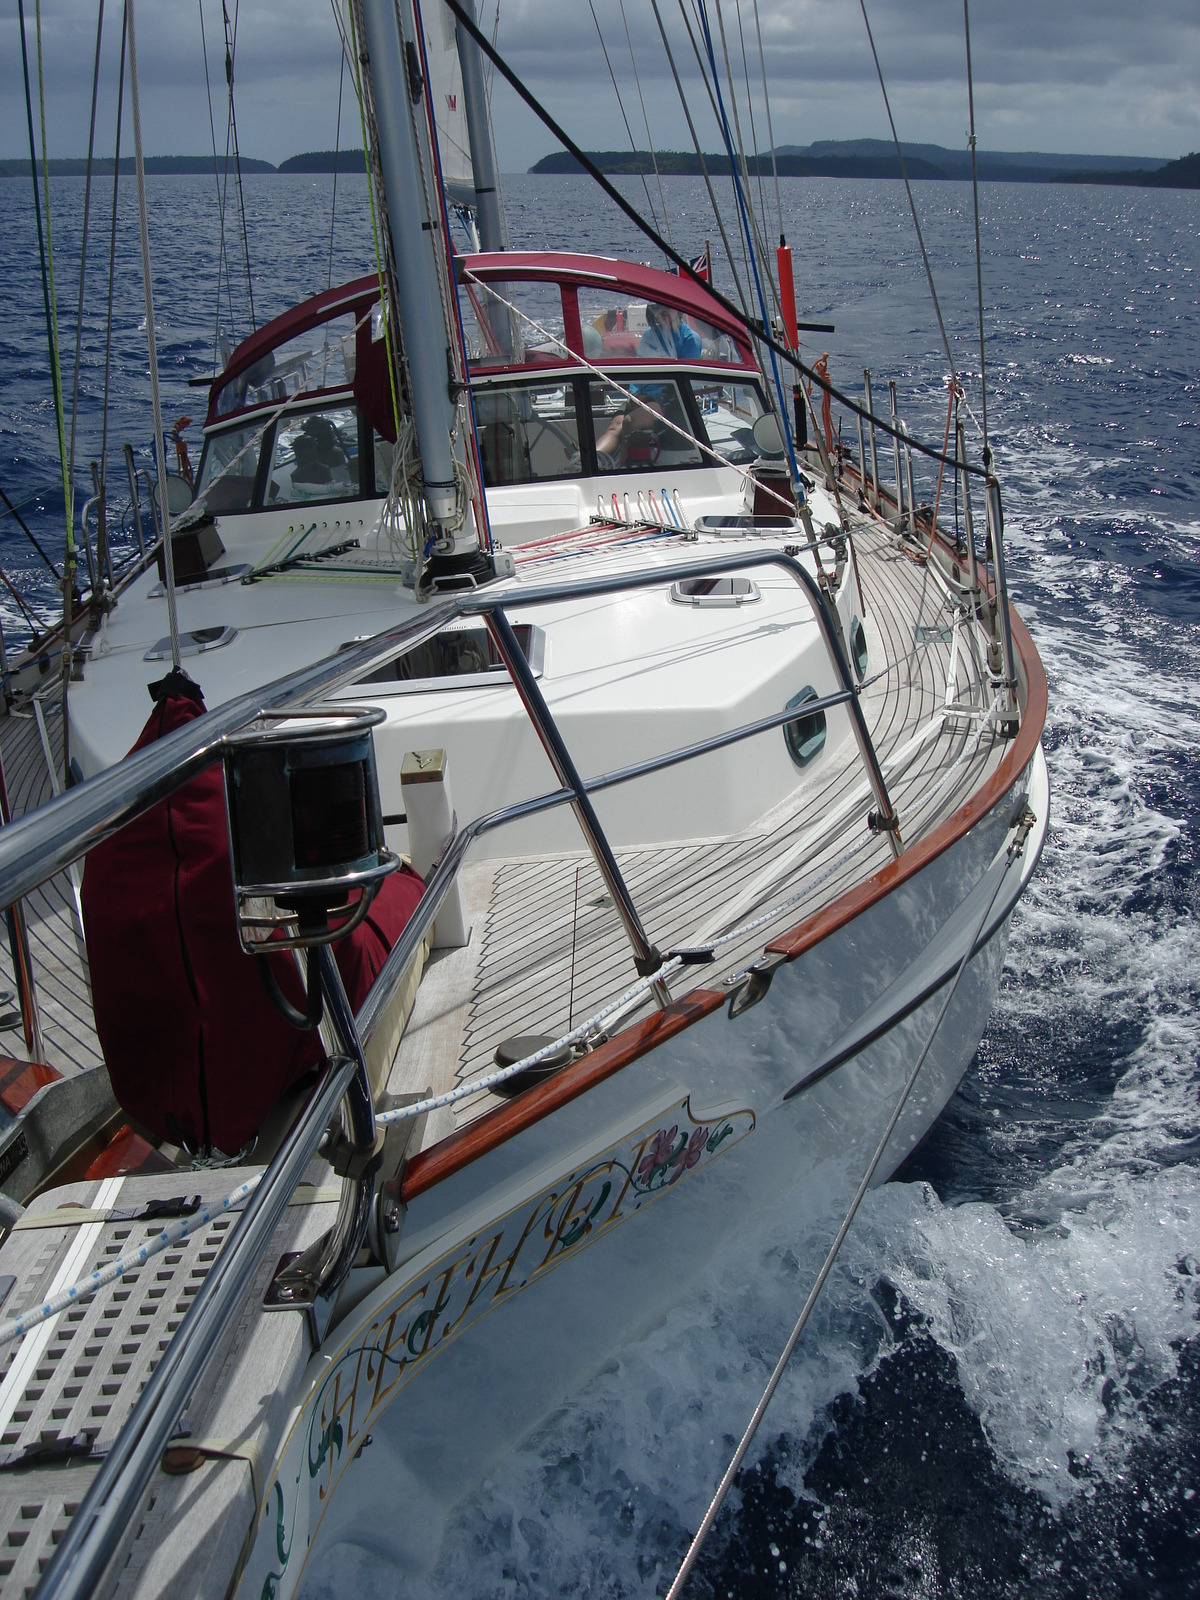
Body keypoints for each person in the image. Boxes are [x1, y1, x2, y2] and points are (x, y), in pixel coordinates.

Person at [638, 302, 703, 360]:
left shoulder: (691, 339)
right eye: (657, 307)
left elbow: (685, 369)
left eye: (668, 307)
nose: (661, 311)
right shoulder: (648, 334)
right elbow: (640, 363)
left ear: (679, 310)